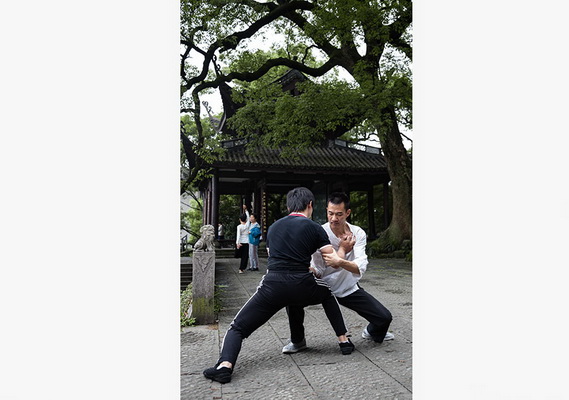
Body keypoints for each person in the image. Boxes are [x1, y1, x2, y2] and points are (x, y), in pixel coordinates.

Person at [203, 187, 354, 384]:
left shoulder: (273, 228)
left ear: (289, 206)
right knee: (326, 293)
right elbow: (332, 261)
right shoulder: (315, 228)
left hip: (273, 287)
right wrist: (343, 248)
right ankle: (343, 340)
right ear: (310, 205)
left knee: (237, 328)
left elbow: (278, 257)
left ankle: (225, 366)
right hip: (302, 284)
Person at [282, 192, 393, 354]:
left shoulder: (357, 233)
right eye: (330, 213)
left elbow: (360, 266)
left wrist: (340, 261)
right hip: (321, 287)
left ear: (347, 213)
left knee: (384, 318)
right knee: (292, 298)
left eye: (339, 214)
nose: (334, 218)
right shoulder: (318, 232)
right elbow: (319, 268)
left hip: (346, 286)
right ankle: (298, 341)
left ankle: (370, 332)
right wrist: (313, 269)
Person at [235, 208, 250, 274]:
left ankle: (241, 268)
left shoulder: (239, 226)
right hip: (247, 241)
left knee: (240, 255)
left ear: (240, 219)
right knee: (245, 256)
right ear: (246, 219)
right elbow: (249, 218)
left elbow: (238, 235)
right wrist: (246, 210)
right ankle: (242, 268)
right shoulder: (247, 225)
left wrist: (237, 243)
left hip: (241, 242)